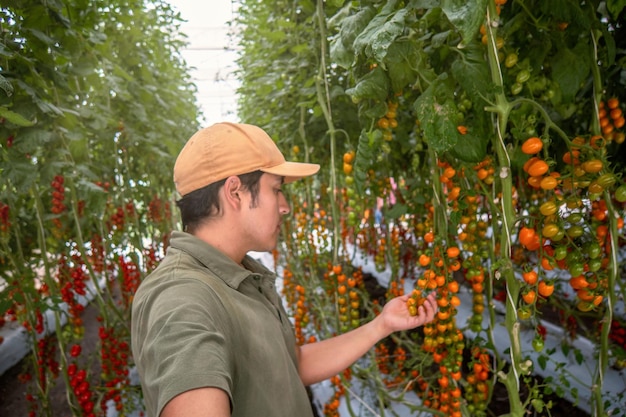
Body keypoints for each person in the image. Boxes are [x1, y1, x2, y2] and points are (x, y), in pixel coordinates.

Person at [130, 122, 438, 417]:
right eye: (276, 189)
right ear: (235, 192)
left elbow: (294, 364)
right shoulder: (183, 300)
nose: (285, 205)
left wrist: (381, 324)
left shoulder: (241, 277)